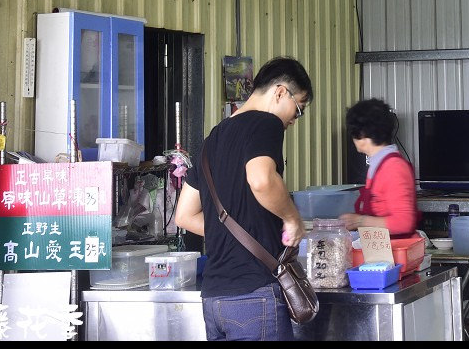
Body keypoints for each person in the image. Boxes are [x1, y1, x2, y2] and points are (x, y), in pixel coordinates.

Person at [175, 56, 312, 341]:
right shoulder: (266, 123)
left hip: (214, 299)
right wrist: (292, 218)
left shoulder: (211, 140)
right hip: (254, 296)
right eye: (298, 109)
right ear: (279, 92)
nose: (294, 120)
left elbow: (184, 216)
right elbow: (261, 180)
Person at [339, 98, 421, 239]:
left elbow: (404, 222)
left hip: (396, 255)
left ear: (362, 135)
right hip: (382, 252)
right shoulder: (378, 165)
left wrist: (359, 221)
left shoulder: (394, 168)